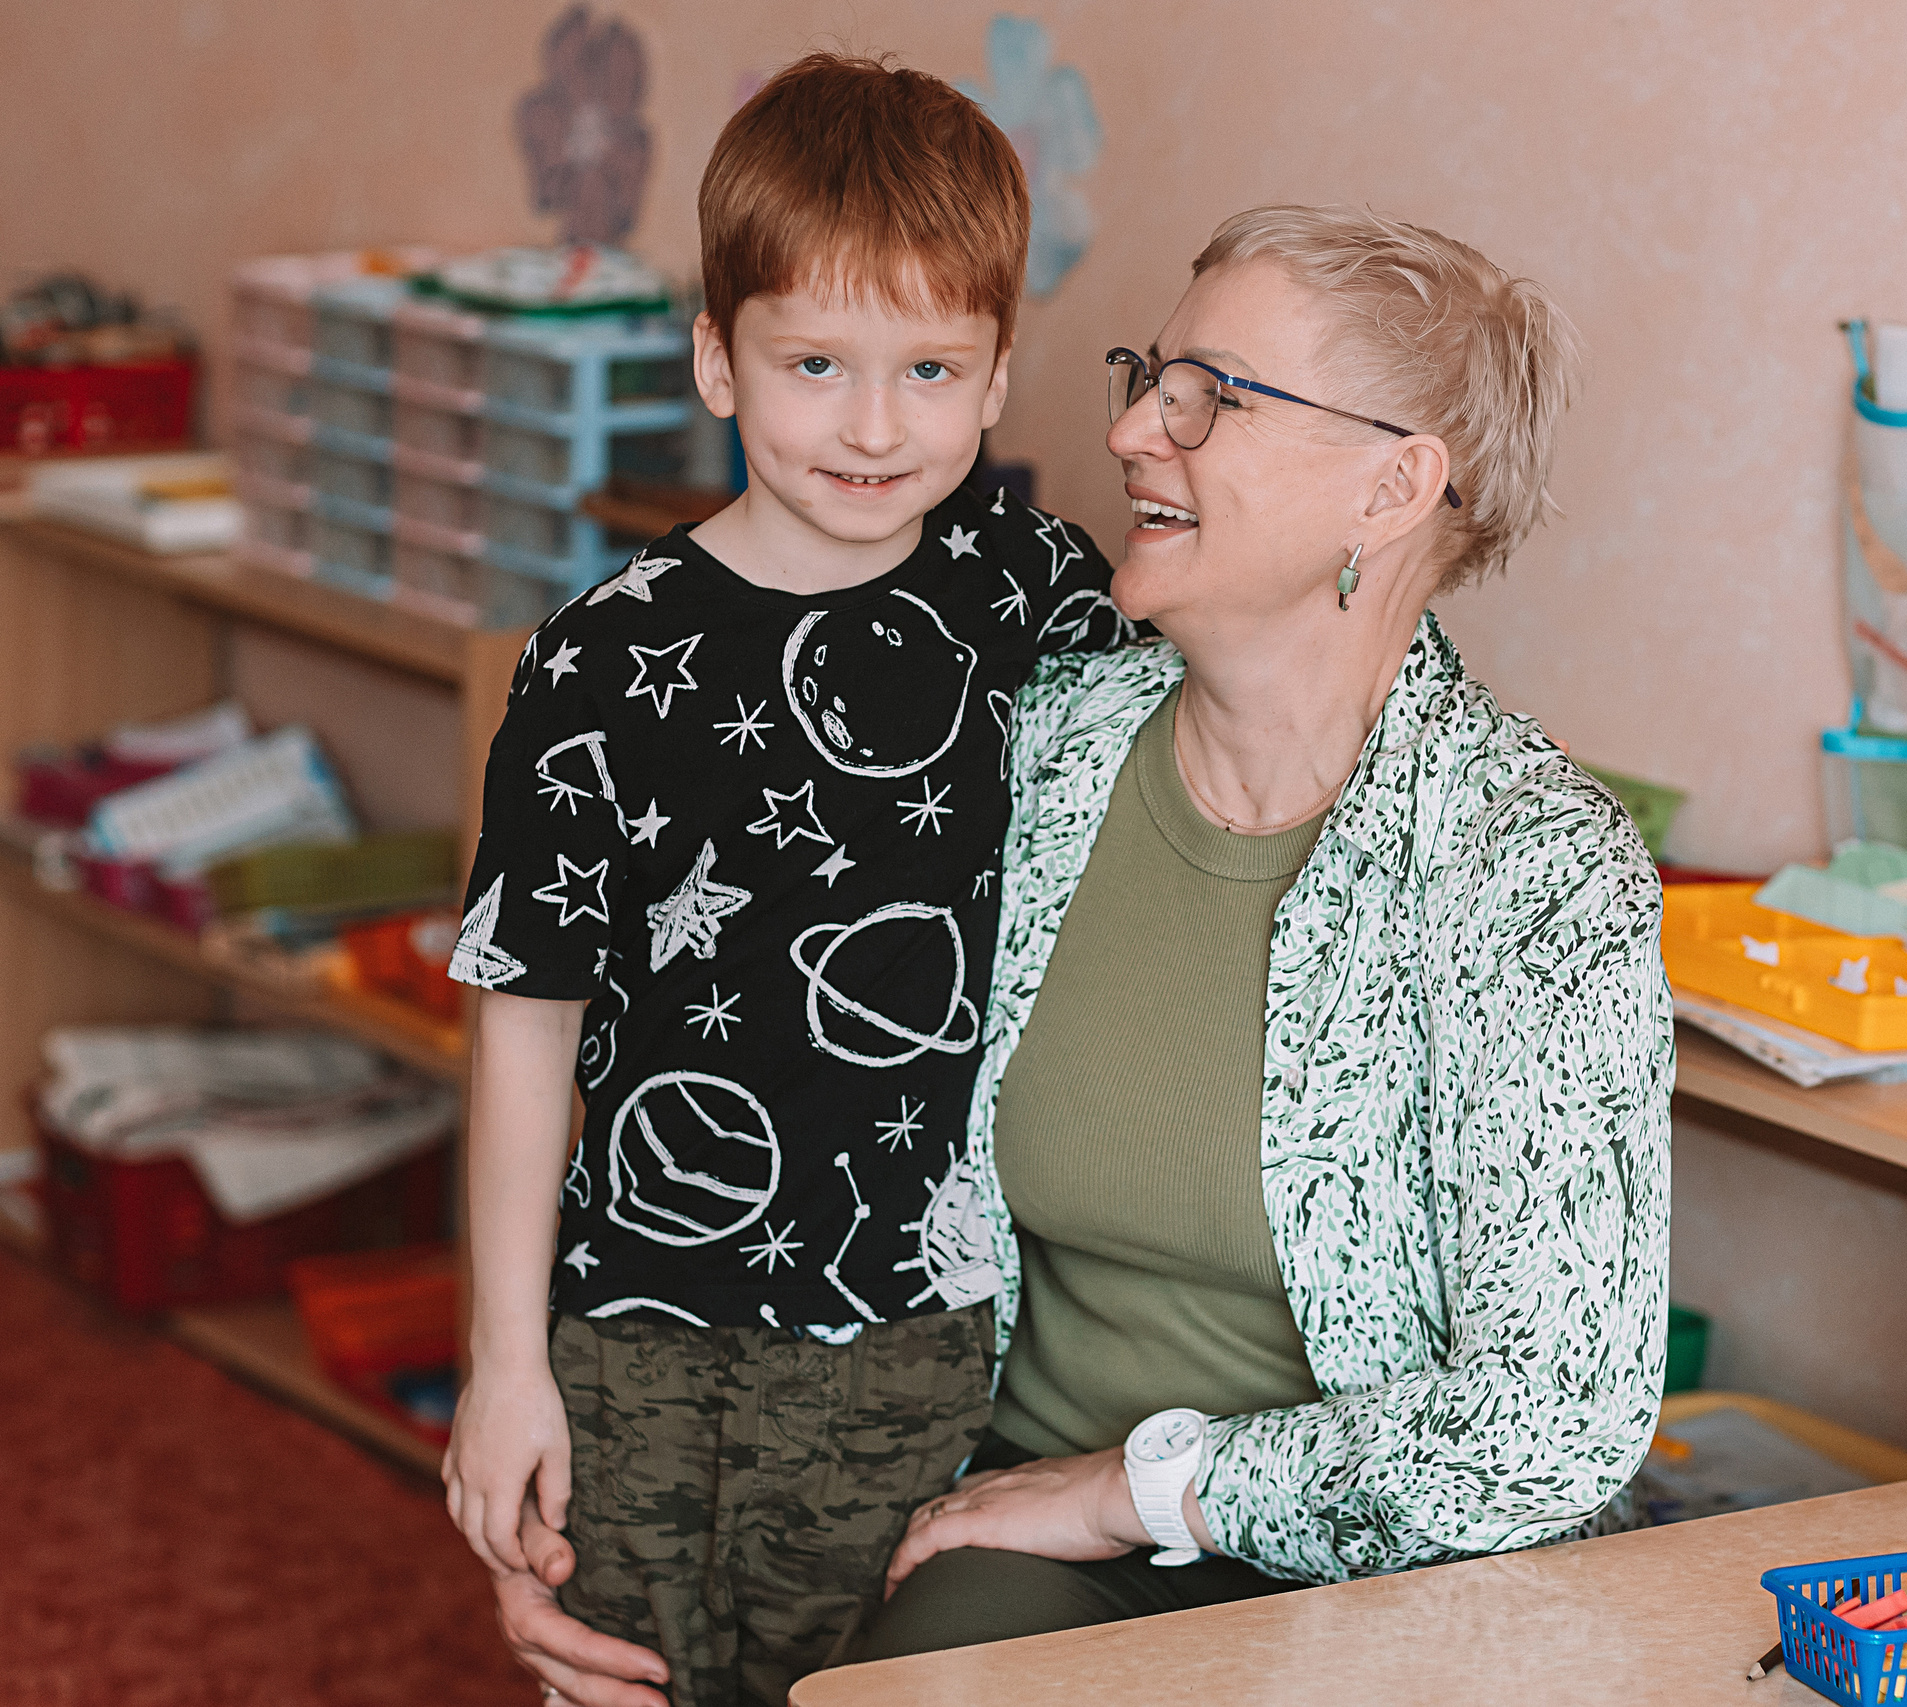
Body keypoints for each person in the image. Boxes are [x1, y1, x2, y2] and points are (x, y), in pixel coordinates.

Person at [493, 203, 1675, 1695]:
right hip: (997, 1511)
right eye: (1147, 379)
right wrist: (587, 1500)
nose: (1129, 434)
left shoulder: (1534, 867)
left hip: (1377, 1579)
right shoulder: (1034, 736)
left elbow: (1552, 1420)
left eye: (1210, 400)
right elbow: (709, 1054)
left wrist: (1136, 1487)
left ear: (1393, 485)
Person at [440, 53, 1122, 1707]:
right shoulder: (596, 663)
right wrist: (502, 1363)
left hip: (913, 1333)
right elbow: (525, 1027)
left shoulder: (1038, 597)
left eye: (930, 369)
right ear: (717, 361)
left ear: (998, 375)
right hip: (630, 1329)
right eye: (815, 362)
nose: (876, 425)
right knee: (617, 1681)